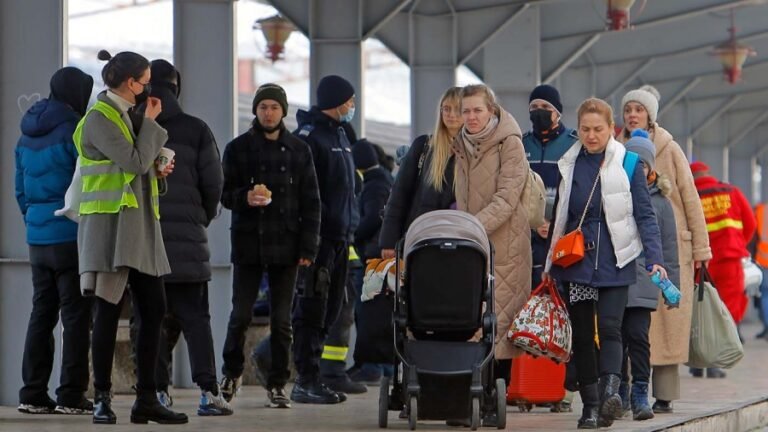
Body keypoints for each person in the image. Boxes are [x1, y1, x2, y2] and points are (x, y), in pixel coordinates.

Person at [76, 50, 187, 425]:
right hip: (109, 231)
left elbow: (140, 167)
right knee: (107, 312)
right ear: (129, 83)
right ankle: (102, 398)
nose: (146, 89)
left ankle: (147, 398)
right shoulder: (100, 119)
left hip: (138, 230)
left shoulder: (125, 116)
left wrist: (160, 168)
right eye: (144, 81)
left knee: (154, 308)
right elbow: (134, 162)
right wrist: (152, 126)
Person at [544, 98, 666, 429]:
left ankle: (612, 389)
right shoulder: (569, 163)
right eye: (585, 129)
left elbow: (645, 215)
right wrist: (549, 263)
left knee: (611, 328)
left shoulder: (628, 163)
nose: (591, 135)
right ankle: (591, 405)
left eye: (598, 129)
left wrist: (655, 258)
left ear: (611, 129)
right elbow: (561, 216)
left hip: (616, 261)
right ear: (578, 129)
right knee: (583, 335)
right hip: (578, 264)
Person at [219, 83, 321, 408]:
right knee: (240, 315)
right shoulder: (237, 149)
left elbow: (312, 203)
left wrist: (308, 248)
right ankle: (231, 371)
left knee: (282, 320)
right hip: (249, 242)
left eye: (274, 107)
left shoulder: (299, 150)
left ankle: (278, 383)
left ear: (283, 111)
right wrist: (244, 198)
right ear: (255, 111)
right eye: (263, 107)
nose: (268, 112)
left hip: (287, 245)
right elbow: (223, 195)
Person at [143, 59, 231, 416]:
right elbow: (214, 185)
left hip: (145, 242)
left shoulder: (134, 126)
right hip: (189, 243)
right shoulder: (196, 129)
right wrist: (201, 218)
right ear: (177, 88)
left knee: (151, 321)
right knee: (196, 320)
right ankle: (209, 392)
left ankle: (158, 392)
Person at [618, 85, 711, 413]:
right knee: (632, 324)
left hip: (670, 249)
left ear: (650, 115)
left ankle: (664, 394)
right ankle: (627, 390)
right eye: (628, 109)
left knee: (667, 325)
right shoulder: (616, 147)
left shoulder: (669, 148)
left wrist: (701, 248)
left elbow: (689, 197)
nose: (632, 115)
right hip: (630, 251)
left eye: (638, 110)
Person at [15, 67, 94, 415]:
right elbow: (84, 184)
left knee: (41, 313)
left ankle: (32, 392)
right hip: (69, 234)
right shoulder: (75, 130)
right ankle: (71, 395)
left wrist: (34, 221)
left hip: (37, 237)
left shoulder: (25, 135)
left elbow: (20, 190)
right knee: (76, 316)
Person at [451, 84, 531, 427]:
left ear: (492, 111)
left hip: (505, 247)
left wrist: (469, 226)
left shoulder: (509, 144)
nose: (470, 117)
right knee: (471, 321)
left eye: (477, 111)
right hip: (472, 248)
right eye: (465, 111)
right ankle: (468, 396)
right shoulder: (461, 145)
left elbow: (507, 197)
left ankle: (492, 398)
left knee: (499, 325)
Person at [290, 75, 357, 404]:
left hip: (341, 238)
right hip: (319, 239)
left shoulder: (341, 135)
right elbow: (306, 191)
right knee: (312, 308)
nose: (352, 106)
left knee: (331, 309)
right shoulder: (310, 137)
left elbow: (347, 189)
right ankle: (305, 378)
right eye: (349, 100)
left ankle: (311, 376)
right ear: (337, 101)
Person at [523, 83, 580, 413]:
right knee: (529, 309)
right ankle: (529, 383)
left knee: (564, 311)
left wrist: (558, 225)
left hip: (563, 240)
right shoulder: (521, 145)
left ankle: (564, 387)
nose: (538, 112)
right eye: (533, 107)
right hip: (530, 239)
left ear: (558, 111)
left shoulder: (572, 145)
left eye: (544, 105)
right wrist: (534, 222)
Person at [620, 129, 680, 421]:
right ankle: (620, 390)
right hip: (614, 279)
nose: (638, 169)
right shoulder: (615, 193)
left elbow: (669, 249)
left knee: (638, 338)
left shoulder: (661, 203)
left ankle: (640, 392)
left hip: (644, 282)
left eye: (643, 164)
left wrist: (673, 287)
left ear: (651, 167)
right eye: (633, 162)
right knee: (613, 338)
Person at [379, 86, 462, 258]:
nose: (451, 114)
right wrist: (389, 241)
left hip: (459, 241)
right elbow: (399, 194)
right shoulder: (423, 146)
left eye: (458, 109)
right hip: (417, 239)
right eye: (446, 108)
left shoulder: (476, 152)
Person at [691, 161, 756, 351]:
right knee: (728, 307)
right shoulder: (731, 191)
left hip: (701, 262)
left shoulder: (691, 196)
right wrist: (737, 244)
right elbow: (750, 223)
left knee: (701, 307)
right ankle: (719, 356)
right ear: (708, 173)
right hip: (730, 259)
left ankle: (699, 355)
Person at [348, 139, 394, 385]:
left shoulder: (374, 184)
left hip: (374, 257)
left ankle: (372, 367)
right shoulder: (384, 179)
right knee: (378, 312)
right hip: (380, 257)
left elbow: (374, 217)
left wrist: (353, 235)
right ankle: (381, 366)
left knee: (368, 312)